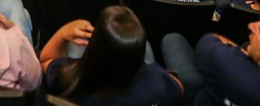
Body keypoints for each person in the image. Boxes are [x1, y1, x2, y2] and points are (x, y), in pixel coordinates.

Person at [41, 6, 183, 105]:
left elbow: (45, 61)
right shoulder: (158, 84)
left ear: (95, 46)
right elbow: (179, 89)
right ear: (137, 55)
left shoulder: (68, 79)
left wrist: (63, 32)